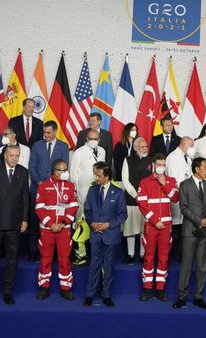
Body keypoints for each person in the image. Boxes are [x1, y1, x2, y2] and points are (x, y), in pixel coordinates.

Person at [0, 145, 30, 305]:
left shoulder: (23, 172)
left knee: (12, 261)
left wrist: (25, 219)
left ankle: (8, 292)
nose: (14, 158)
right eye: (12, 155)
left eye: (17, 155)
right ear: (5, 156)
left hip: (14, 223)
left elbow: (25, 198)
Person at [174, 157, 206, 309]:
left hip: (205, 231)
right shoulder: (185, 185)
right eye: (205, 167)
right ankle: (182, 297)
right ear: (197, 169)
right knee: (186, 265)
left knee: (202, 265)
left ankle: (198, 296)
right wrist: (199, 221)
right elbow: (183, 208)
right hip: (190, 230)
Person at [83, 162, 127, 307]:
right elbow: (87, 210)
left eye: (99, 175)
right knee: (93, 266)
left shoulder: (118, 192)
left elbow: (123, 215)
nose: (96, 178)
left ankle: (106, 295)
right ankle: (89, 295)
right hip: (95, 234)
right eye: (95, 175)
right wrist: (92, 223)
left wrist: (109, 224)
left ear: (107, 177)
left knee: (108, 267)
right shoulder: (92, 190)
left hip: (111, 235)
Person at [137, 153, 180, 301]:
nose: (161, 167)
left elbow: (175, 198)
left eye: (163, 165)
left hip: (166, 226)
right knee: (148, 257)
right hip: (151, 225)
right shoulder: (144, 182)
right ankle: (147, 289)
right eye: (159, 164)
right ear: (154, 165)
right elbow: (142, 204)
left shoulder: (171, 180)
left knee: (163, 257)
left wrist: (165, 183)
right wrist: (155, 221)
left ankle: (160, 289)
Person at [35, 158, 79, 301]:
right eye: (63, 170)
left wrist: (63, 223)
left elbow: (74, 206)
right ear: (55, 171)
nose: (66, 172)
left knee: (64, 259)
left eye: (66, 169)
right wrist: (50, 224)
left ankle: (66, 288)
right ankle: (44, 287)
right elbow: (39, 208)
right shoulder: (43, 186)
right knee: (46, 258)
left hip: (64, 229)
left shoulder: (71, 186)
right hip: (47, 230)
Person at [28, 121, 69, 261]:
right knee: (35, 221)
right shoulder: (37, 145)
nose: (46, 135)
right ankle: (33, 251)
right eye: (44, 132)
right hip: (38, 189)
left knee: (56, 220)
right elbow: (32, 167)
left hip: (57, 192)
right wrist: (40, 183)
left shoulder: (63, 146)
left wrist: (53, 185)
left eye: (49, 132)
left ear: (55, 131)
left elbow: (64, 169)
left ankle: (56, 252)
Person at [69, 127, 106, 265]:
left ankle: (93, 250)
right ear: (86, 139)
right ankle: (80, 252)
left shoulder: (102, 151)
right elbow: (73, 174)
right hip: (83, 192)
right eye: (90, 139)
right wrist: (75, 191)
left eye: (95, 139)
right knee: (81, 221)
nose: (93, 141)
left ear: (99, 139)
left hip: (99, 191)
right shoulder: (78, 152)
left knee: (97, 219)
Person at [121, 136, 151, 263]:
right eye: (142, 147)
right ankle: (130, 254)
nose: (145, 149)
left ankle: (143, 254)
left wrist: (145, 196)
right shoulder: (128, 160)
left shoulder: (151, 160)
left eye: (146, 146)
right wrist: (135, 195)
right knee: (131, 228)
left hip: (147, 200)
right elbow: (125, 180)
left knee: (145, 228)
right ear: (136, 148)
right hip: (131, 199)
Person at [165, 136, 196, 259]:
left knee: (183, 226)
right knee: (176, 227)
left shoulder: (187, 158)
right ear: (183, 144)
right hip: (177, 196)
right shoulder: (173, 157)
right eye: (191, 145)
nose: (192, 148)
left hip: (186, 196)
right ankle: (174, 255)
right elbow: (174, 179)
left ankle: (182, 255)